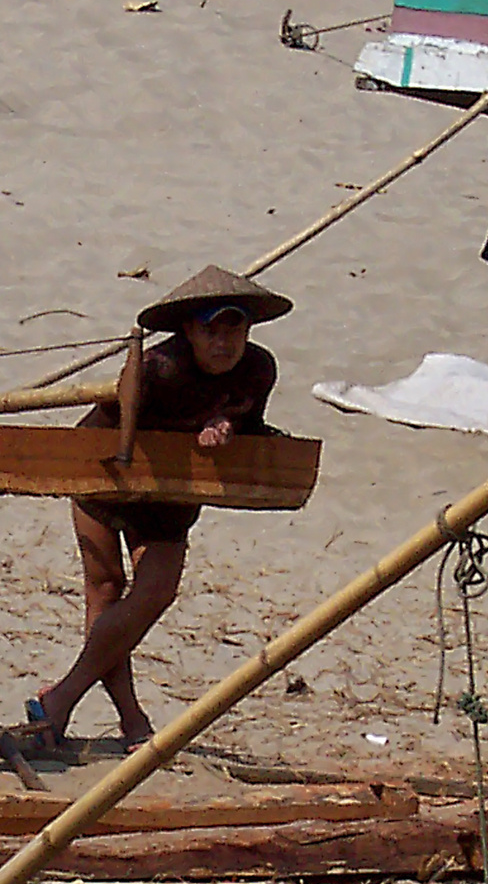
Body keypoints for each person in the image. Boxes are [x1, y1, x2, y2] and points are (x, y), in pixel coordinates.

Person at [25, 265, 292, 753]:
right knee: (106, 591)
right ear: (189, 329)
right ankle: (131, 719)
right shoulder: (155, 368)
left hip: (173, 494)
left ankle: (61, 697)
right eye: (211, 329)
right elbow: (111, 428)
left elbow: (252, 423)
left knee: (156, 593)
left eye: (234, 329)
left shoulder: (259, 368)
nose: (223, 342)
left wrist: (227, 428)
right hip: (106, 476)